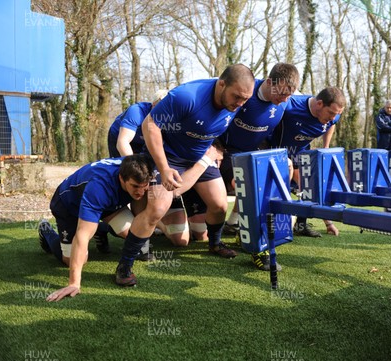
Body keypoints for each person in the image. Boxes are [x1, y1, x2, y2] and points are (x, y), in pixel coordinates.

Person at [112, 63, 255, 287]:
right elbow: (151, 125)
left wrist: (216, 151)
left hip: (199, 156)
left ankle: (215, 244)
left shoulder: (238, 101)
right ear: (221, 84)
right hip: (168, 157)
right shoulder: (187, 96)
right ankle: (125, 265)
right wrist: (164, 167)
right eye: (237, 97)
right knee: (157, 208)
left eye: (245, 99)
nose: (240, 103)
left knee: (218, 204)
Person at [212, 62, 300, 271]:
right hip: (227, 152)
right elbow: (214, 116)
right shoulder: (244, 94)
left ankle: (243, 229)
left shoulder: (286, 101)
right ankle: (255, 244)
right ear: (269, 82)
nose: (285, 100)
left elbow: (309, 107)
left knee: (284, 166)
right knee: (248, 183)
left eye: (289, 95)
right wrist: (214, 145)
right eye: (282, 93)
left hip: (255, 153)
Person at [40, 154, 155, 302]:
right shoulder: (99, 187)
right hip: (68, 206)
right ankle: (46, 231)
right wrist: (74, 284)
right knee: (72, 259)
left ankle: (100, 228)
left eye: (144, 187)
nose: (140, 192)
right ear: (121, 178)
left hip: (106, 204)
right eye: (135, 186)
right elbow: (82, 235)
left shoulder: (139, 167)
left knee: (135, 235)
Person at [269, 86, 346, 238]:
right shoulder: (290, 106)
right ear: (319, 104)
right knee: (275, 190)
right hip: (277, 152)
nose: (333, 117)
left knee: (309, 187)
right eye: (331, 113)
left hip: (301, 154)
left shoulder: (334, 115)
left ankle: (301, 224)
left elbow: (332, 124)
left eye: (336, 114)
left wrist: (326, 146)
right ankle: (257, 226)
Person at [107, 89, 169, 157]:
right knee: (123, 165)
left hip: (142, 140)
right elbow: (123, 142)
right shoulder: (136, 112)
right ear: (154, 105)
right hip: (119, 136)